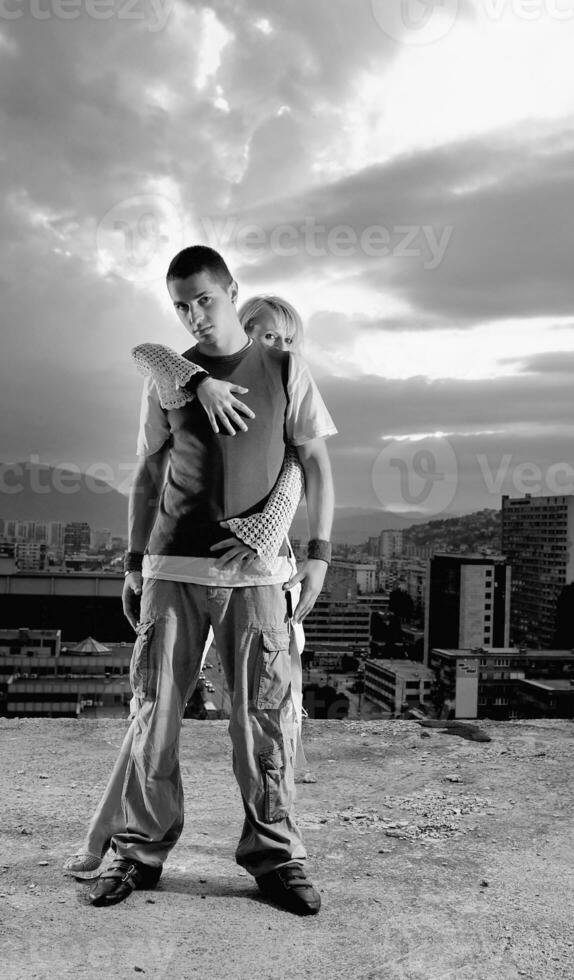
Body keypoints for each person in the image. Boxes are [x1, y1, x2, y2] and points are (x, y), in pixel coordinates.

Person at [76, 246, 336, 914]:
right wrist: (134, 562)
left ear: (231, 293)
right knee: (153, 715)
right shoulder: (168, 377)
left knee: (263, 719)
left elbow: (314, 464)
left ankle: (275, 857)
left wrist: (317, 555)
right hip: (170, 567)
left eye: (205, 300)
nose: (194, 315)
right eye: (182, 304)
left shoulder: (284, 368)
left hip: (256, 577)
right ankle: (138, 851)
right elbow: (146, 473)